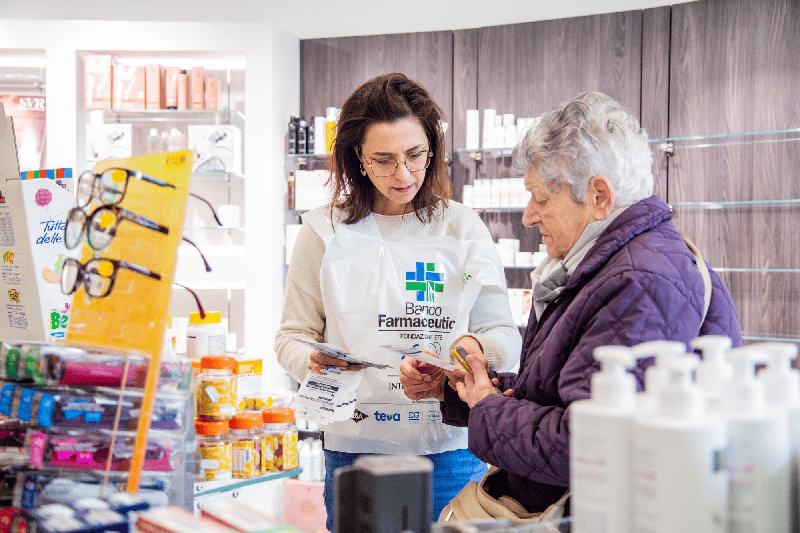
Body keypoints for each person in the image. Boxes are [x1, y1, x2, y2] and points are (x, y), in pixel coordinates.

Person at [400, 91, 743, 515]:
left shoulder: (641, 280)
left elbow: (582, 444)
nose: (528, 216)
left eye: (541, 198)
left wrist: (487, 408)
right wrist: (462, 391)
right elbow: (558, 393)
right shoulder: (609, 265)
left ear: (599, 196)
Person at [274, 73, 522, 528]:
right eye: (384, 159)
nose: (403, 174)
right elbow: (292, 336)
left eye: (414, 155)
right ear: (357, 158)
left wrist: (460, 359)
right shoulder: (323, 231)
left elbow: (503, 335)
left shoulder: (461, 227)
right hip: (354, 447)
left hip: (450, 450)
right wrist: (316, 361)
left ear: (433, 149)